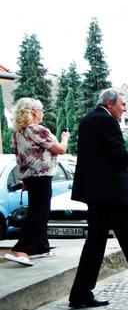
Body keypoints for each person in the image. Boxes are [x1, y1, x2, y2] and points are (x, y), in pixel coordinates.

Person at [68, 88, 128, 308]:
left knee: (94, 244)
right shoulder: (106, 121)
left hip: (95, 195)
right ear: (110, 103)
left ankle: (80, 294)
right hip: (113, 194)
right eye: (122, 104)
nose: (124, 109)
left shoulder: (87, 120)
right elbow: (117, 151)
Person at [3, 98, 69, 267]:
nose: (42, 113)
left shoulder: (18, 132)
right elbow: (60, 149)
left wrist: (24, 179)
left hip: (29, 177)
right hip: (42, 176)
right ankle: (20, 249)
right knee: (40, 213)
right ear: (33, 112)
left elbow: (19, 157)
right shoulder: (38, 130)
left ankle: (41, 247)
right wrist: (65, 138)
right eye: (41, 110)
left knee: (37, 211)